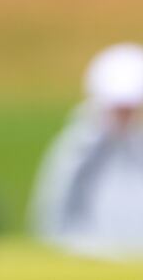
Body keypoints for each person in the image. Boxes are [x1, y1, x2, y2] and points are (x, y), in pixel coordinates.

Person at [30, 43, 143, 259]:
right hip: (89, 250)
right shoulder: (79, 146)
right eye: (119, 109)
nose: (125, 116)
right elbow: (55, 204)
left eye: (131, 108)